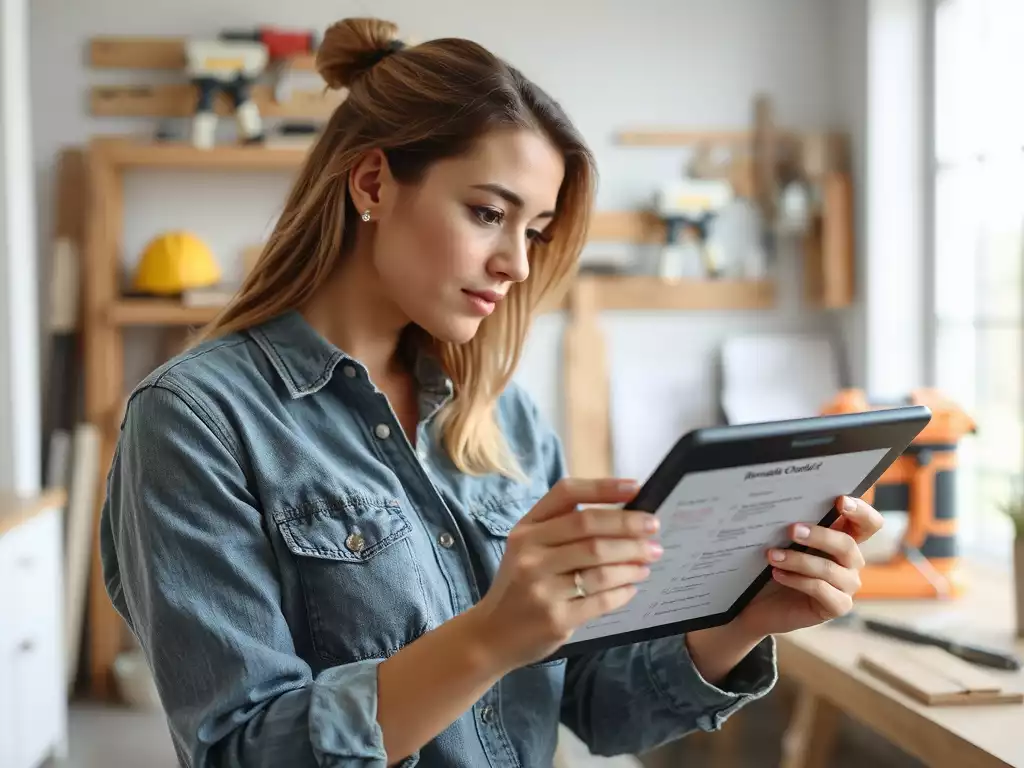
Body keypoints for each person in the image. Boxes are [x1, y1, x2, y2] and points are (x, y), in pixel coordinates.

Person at [100, 17, 882, 768]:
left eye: (535, 231)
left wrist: (741, 621)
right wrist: (488, 637)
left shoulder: (502, 419)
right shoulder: (196, 421)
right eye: (487, 213)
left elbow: (592, 704)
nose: (516, 262)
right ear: (373, 180)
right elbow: (243, 751)